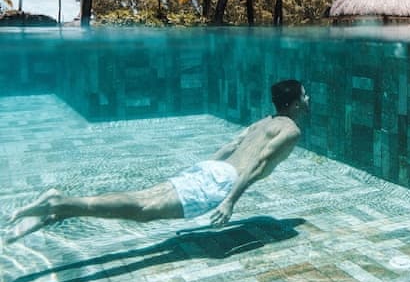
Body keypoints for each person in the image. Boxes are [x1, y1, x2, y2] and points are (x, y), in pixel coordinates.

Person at [5, 80, 309, 243]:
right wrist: (230, 202)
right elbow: (257, 166)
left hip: (212, 169)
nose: (308, 100)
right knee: (143, 210)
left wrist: (199, 169)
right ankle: (62, 201)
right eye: (305, 95)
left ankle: (64, 209)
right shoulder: (291, 130)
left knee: (144, 199)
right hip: (224, 183)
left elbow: (231, 144)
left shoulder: (263, 121)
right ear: (294, 103)